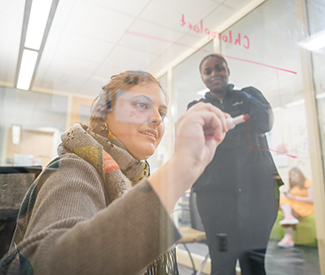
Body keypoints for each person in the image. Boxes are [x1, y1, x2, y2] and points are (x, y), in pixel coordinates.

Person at [0, 70, 228, 275]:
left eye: (162, 112)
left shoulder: (137, 179)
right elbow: (48, 266)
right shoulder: (74, 168)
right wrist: (180, 170)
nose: (157, 118)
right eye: (141, 105)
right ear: (104, 115)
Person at [187, 54, 280, 275]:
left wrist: (245, 99)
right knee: (222, 263)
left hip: (259, 192)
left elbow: (265, 122)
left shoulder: (249, 95)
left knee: (254, 264)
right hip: (215, 197)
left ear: (228, 71)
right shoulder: (197, 106)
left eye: (219, 68)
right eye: (207, 71)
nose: (214, 74)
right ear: (202, 78)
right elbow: (193, 143)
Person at [277, 167, 314, 248]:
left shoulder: (308, 183)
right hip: (294, 207)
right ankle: (288, 219)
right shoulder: (293, 185)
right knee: (284, 204)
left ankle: (288, 235)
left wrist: (293, 198)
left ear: (299, 174)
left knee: (286, 208)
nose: (292, 177)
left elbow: (312, 199)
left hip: (306, 206)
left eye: (294, 175)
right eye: (291, 176)